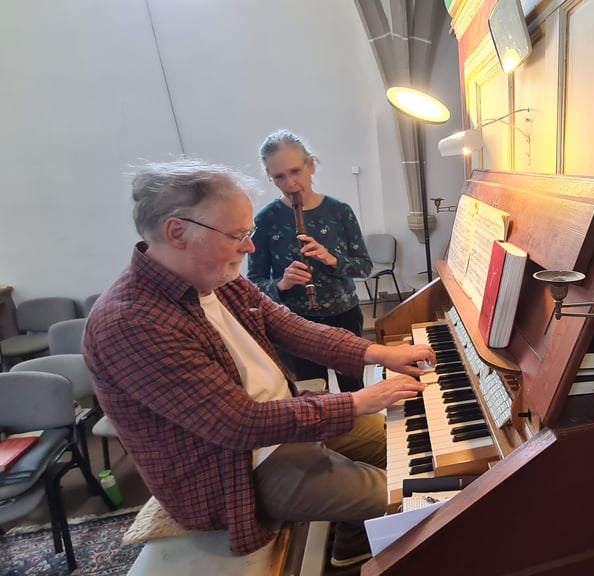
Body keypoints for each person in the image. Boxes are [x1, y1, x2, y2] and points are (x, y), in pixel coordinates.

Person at [82, 160, 435, 568]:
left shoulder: (217, 277)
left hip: (280, 424)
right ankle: (362, 543)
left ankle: (352, 540)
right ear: (177, 233)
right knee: (403, 495)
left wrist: (377, 353)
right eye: (237, 235)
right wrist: (359, 401)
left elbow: (290, 327)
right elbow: (239, 424)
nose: (249, 247)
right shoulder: (130, 323)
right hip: (231, 473)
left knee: (405, 435)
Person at [248, 129, 372, 391]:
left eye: (295, 171)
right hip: (294, 323)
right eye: (279, 177)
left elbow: (364, 267)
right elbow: (255, 282)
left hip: (344, 316)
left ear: (311, 165)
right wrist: (281, 284)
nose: (290, 184)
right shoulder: (265, 220)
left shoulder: (339, 211)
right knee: (313, 392)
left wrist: (331, 259)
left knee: (354, 388)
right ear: (270, 177)